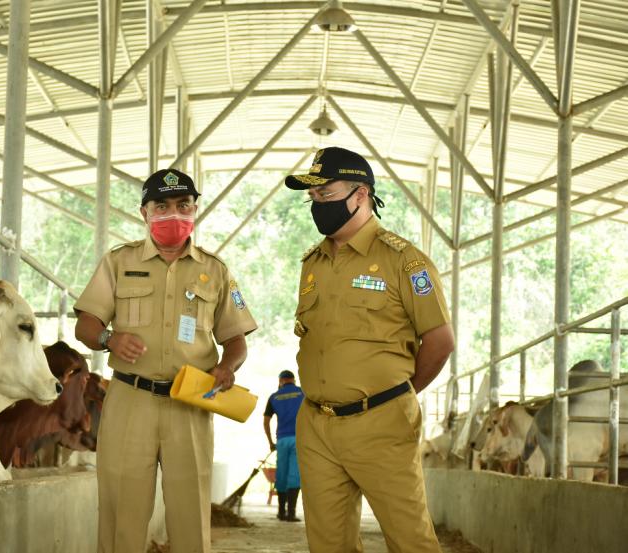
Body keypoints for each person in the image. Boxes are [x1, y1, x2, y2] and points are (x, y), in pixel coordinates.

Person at [74, 168, 257, 553]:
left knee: (190, 512)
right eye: (163, 206)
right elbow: (86, 325)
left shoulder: (216, 270)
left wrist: (228, 367)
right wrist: (110, 338)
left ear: (194, 210)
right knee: (122, 510)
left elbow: (236, 340)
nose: (173, 214)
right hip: (130, 399)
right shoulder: (118, 262)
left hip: (190, 403)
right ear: (145, 212)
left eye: (183, 205)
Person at [284, 147, 455, 553]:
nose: (317, 205)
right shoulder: (314, 263)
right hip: (317, 424)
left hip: (381, 421)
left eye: (325, 195)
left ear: (360, 194)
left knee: (410, 540)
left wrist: (396, 392)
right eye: (312, 198)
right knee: (328, 544)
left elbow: (440, 340)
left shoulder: (404, 261)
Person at [263, 369, 305, 522]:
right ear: (293, 380)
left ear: (280, 381)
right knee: (295, 474)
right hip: (299, 439)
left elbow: (266, 421)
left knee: (281, 474)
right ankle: (291, 514)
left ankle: (281, 512)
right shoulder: (302, 393)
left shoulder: (274, 397)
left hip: (281, 441)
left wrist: (270, 443)